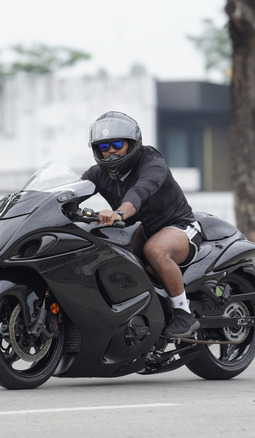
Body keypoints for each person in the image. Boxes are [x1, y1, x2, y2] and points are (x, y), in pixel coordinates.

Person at [81, 111, 202, 339]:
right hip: (142, 230)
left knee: (155, 250)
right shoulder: (98, 173)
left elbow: (139, 192)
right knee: (104, 247)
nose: (111, 151)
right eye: (104, 147)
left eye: (117, 144)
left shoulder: (151, 162)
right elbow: (73, 191)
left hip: (179, 226)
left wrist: (118, 213)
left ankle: (183, 313)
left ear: (131, 144)